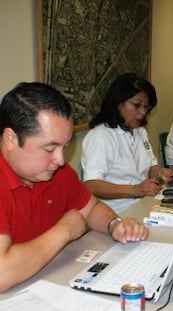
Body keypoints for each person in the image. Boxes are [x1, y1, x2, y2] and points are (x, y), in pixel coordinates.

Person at [0, 82, 148, 291]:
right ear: (11, 139)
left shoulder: (53, 171)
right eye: (50, 148)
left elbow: (91, 208)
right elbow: (2, 274)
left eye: (64, 147)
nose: (60, 160)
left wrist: (115, 225)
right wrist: (65, 230)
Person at [82, 73, 173, 213]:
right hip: (117, 212)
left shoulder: (140, 131)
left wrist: (161, 173)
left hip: (145, 203)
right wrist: (135, 189)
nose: (142, 113)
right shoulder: (101, 136)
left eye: (146, 107)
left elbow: (151, 166)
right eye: (136, 105)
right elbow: (92, 185)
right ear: (118, 102)